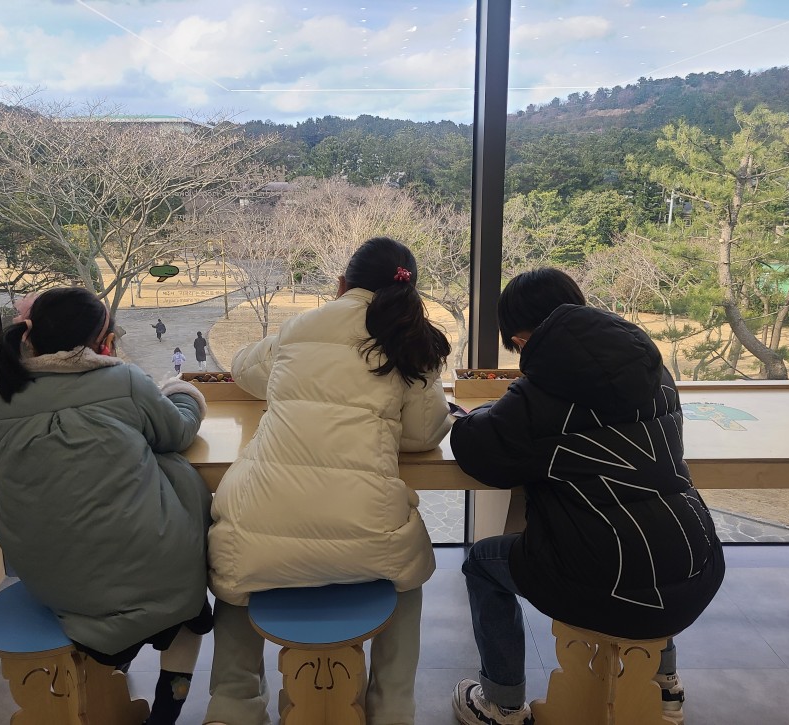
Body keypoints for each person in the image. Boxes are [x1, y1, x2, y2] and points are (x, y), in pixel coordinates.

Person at [449, 268, 725, 725]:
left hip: (603, 582)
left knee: (482, 563)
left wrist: (475, 413)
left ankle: (502, 704)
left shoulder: (539, 395)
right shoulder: (655, 371)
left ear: (521, 338)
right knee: (653, 544)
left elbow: (478, 449)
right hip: (697, 565)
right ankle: (663, 687)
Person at [203, 237, 454, 725]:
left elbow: (243, 369)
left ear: (341, 284)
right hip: (368, 533)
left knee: (234, 573)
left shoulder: (302, 327)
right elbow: (424, 434)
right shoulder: (413, 343)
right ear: (410, 291)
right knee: (409, 572)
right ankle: (392, 709)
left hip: (261, 520)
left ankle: (232, 706)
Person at [0, 287, 213, 725]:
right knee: (189, 610)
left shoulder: (3, 398)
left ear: (30, 337)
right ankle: (165, 713)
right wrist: (183, 393)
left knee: (104, 589)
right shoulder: (125, 381)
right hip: (154, 567)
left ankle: (112, 673)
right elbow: (178, 432)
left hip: (51, 581)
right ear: (103, 341)